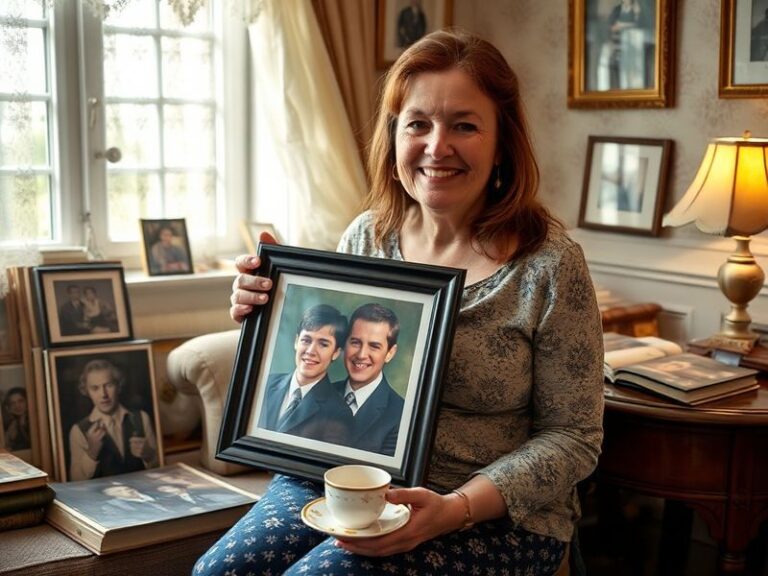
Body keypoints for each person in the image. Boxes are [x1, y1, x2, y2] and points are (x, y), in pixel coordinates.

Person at [196, 30, 603, 576]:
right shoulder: (367, 237)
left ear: (502, 142)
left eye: (464, 125)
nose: (437, 147)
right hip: (344, 479)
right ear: (394, 136)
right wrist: (262, 312)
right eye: (418, 124)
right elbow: (320, 366)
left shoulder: (549, 265)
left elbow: (574, 438)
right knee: (217, 572)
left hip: (490, 515)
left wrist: (456, 509)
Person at [259, 304, 352, 443]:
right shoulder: (264, 384)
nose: (310, 351)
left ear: (336, 353)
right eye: (306, 340)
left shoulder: (338, 413)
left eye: (323, 344)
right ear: (296, 341)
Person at [68, 359, 159, 481]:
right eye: (95, 388)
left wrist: (149, 454)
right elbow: (76, 481)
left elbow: (160, 468)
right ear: (87, 392)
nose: (103, 394)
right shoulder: (78, 430)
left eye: (109, 385)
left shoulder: (142, 418)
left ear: (119, 386)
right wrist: (91, 454)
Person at [333, 303, 404, 456]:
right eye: (355, 342)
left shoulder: (401, 416)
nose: (361, 354)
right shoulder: (320, 393)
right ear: (345, 343)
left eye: (374, 346)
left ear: (390, 353)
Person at [2, 387, 31, 452]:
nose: (17, 406)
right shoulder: (12, 424)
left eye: (20, 401)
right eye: (12, 403)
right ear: (8, 407)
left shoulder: (31, 421)